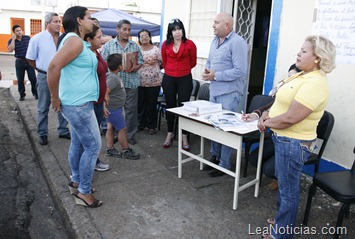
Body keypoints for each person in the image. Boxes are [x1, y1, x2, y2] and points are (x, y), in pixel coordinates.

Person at [257, 35, 336, 239]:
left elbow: (291, 117)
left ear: (317, 57)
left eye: (303, 51)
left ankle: (282, 234)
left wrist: (266, 122)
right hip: (284, 139)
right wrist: (266, 114)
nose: (298, 54)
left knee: (288, 190)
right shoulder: (301, 75)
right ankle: (283, 220)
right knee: (284, 187)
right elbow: (280, 102)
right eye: (299, 50)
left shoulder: (316, 82)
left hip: (293, 143)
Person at [47, 6, 102, 208]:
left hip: (79, 102)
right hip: (78, 105)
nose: (92, 22)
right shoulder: (75, 41)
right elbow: (53, 67)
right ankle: (84, 192)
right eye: (89, 18)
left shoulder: (76, 41)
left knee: (79, 144)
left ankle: (77, 181)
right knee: (93, 146)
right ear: (79, 21)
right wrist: (54, 97)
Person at [201, 12, 248, 177]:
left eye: (216, 22)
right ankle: (216, 157)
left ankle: (225, 164)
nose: (213, 25)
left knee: (226, 129)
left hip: (229, 94)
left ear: (227, 25)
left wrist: (216, 75)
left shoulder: (237, 42)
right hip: (214, 91)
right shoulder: (215, 41)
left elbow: (240, 70)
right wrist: (207, 71)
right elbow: (210, 62)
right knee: (215, 126)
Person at [242, 64, 302, 190]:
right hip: (276, 136)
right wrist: (254, 115)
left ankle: (283, 179)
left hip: (289, 139)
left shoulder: (300, 99)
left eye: (293, 77)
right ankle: (279, 174)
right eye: (288, 77)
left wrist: (266, 120)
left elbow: (287, 119)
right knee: (254, 158)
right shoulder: (283, 95)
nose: (288, 80)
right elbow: (267, 107)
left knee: (269, 169)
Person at [26, 12, 70, 146]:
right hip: (45, 76)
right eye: (55, 22)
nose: (58, 24)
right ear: (47, 24)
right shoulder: (37, 38)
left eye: (59, 21)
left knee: (62, 104)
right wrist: (42, 69)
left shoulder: (65, 39)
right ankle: (43, 133)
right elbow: (30, 58)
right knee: (43, 107)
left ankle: (63, 130)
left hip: (62, 76)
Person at [101, 19, 143, 145]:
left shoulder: (134, 45)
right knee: (114, 110)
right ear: (117, 29)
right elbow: (103, 63)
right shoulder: (109, 45)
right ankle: (115, 134)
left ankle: (130, 135)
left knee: (131, 110)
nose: (127, 32)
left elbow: (140, 61)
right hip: (114, 85)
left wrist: (133, 67)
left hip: (131, 82)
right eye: (124, 29)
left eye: (129, 29)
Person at [161, 18, 197, 150]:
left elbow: (193, 62)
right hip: (169, 78)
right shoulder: (165, 44)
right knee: (170, 106)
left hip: (185, 78)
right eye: (174, 30)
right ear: (170, 32)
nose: (177, 32)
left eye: (179, 29)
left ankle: (184, 135)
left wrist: (182, 69)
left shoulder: (190, 44)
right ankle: (170, 133)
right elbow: (164, 61)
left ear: (183, 30)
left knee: (184, 107)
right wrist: (171, 70)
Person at [84, 21, 110, 172]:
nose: (102, 39)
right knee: (90, 139)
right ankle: (89, 165)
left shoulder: (97, 52)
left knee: (93, 136)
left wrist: (104, 97)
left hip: (99, 101)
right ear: (89, 40)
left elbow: (102, 77)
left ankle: (93, 161)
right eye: (99, 37)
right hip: (91, 102)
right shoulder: (87, 55)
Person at [105, 53, 140, 160]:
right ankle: (125, 150)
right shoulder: (113, 79)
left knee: (110, 128)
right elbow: (106, 91)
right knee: (122, 129)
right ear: (120, 66)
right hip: (113, 109)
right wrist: (104, 105)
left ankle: (110, 148)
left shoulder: (113, 76)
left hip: (113, 109)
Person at [137, 29, 162, 135]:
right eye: (142, 36)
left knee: (152, 104)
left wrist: (155, 69)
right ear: (139, 38)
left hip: (154, 82)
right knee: (140, 104)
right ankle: (140, 124)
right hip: (140, 81)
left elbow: (162, 62)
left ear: (150, 37)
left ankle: (152, 125)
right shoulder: (137, 49)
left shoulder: (156, 49)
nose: (144, 38)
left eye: (146, 36)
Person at [8, 25, 37, 101]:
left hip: (28, 60)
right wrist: (13, 40)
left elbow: (33, 47)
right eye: (17, 31)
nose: (19, 32)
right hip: (19, 61)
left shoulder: (27, 38)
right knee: (20, 79)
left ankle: (35, 93)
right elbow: (10, 50)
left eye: (20, 30)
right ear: (14, 32)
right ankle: (22, 95)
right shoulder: (11, 41)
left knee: (33, 78)